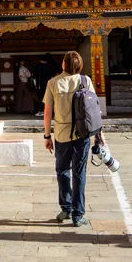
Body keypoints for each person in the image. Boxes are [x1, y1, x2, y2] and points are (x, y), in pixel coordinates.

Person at [43, 51, 97, 228]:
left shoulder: (53, 82)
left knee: (62, 170)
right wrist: (99, 134)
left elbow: (48, 112)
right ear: (80, 65)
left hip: (61, 133)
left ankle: (66, 208)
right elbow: (94, 108)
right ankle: (78, 214)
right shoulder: (85, 81)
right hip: (82, 134)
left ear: (63, 65)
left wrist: (47, 135)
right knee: (79, 173)